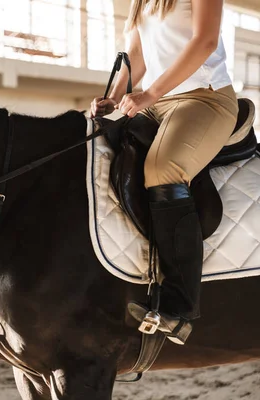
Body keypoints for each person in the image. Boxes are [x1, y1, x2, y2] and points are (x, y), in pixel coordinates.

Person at [90, 0, 238, 345]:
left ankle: (179, 305)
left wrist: (150, 93)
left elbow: (204, 41)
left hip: (205, 98)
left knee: (162, 170)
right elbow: (137, 55)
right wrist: (114, 97)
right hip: (156, 104)